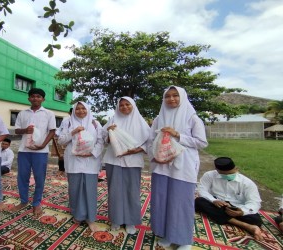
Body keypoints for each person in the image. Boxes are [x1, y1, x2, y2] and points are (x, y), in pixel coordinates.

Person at [147, 86, 208, 249]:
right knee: (162, 201)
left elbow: (202, 142)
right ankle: (166, 234)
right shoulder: (159, 118)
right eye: (167, 96)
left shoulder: (192, 118)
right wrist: (154, 157)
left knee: (181, 202)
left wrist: (177, 135)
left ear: (182, 97)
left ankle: (183, 239)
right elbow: (150, 141)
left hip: (183, 167)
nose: (171, 99)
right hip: (161, 166)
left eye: (175, 95)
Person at [102, 97, 150, 235]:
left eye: (127, 104)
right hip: (114, 160)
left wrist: (138, 149)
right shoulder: (113, 120)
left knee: (131, 191)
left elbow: (149, 141)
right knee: (115, 191)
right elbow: (102, 138)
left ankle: (130, 221)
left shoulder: (141, 122)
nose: (124, 107)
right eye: (121, 105)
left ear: (133, 105)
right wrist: (109, 134)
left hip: (133, 161)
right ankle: (116, 219)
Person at [58, 101, 103, 231]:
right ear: (73, 110)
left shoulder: (95, 123)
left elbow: (100, 141)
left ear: (88, 109)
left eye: (83, 108)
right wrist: (73, 131)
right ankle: (77, 215)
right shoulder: (68, 122)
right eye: (77, 109)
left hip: (91, 162)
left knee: (90, 190)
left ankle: (90, 218)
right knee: (75, 189)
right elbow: (61, 140)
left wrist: (92, 153)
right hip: (73, 160)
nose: (81, 111)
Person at [11, 88, 56, 217]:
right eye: (33, 96)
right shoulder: (22, 113)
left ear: (43, 99)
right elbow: (17, 131)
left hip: (40, 151)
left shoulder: (49, 114)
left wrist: (43, 145)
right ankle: (24, 201)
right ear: (29, 98)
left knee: (39, 177)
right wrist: (25, 130)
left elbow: (52, 131)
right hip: (24, 151)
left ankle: (36, 203)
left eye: (38, 96)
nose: (35, 99)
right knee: (22, 177)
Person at [195, 157, 264, 240]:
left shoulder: (247, 183)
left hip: (236, 207)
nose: (227, 176)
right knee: (199, 201)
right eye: (224, 175)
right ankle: (247, 226)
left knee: (256, 220)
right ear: (217, 171)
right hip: (217, 204)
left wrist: (242, 212)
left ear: (236, 169)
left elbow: (255, 202)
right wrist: (214, 200)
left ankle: (225, 218)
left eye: (230, 174)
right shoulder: (209, 175)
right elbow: (202, 190)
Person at [54, 107, 73, 176]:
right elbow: (60, 128)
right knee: (61, 155)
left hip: (73, 141)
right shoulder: (65, 120)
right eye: (72, 113)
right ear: (69, 113)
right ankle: (61, 169)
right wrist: (57, 134)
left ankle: (69, 169)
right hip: (63, 139)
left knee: (71, 156)